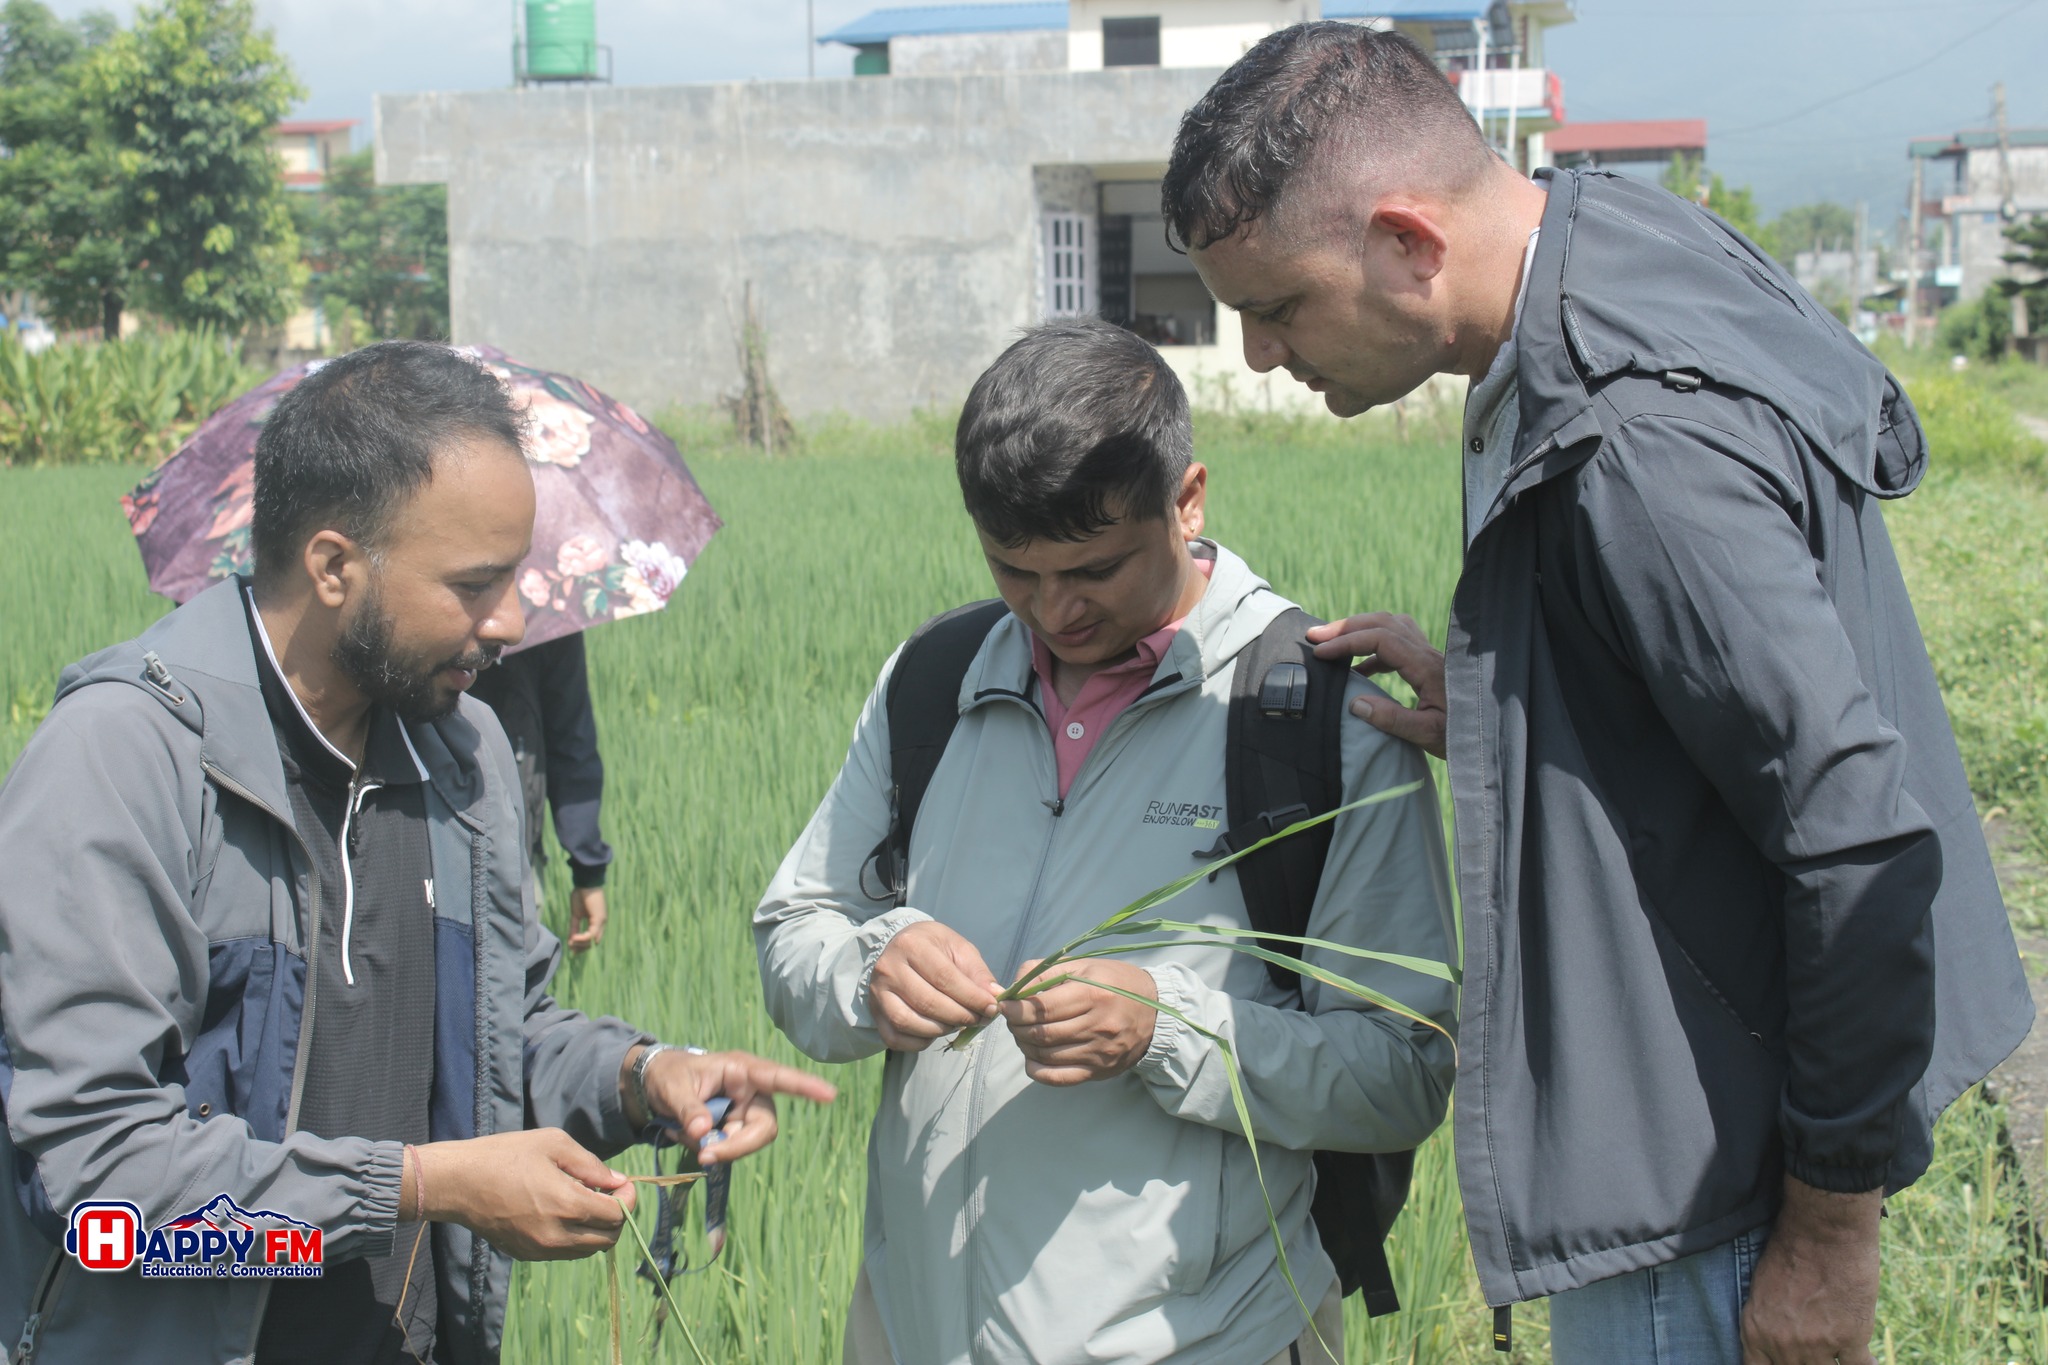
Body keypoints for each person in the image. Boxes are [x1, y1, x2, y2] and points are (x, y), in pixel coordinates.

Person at [1163, 23, 2034, 1365]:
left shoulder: (1628, 436)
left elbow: (1857, 836)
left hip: (1713, 1193)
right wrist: (1517, 716)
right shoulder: (1600, 252)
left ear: (1407, 241)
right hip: (1702, 1122)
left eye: (1278, 306)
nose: (1266, 357)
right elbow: (1701, 690)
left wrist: (1825, 1240)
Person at [0, 341, 836, 1363]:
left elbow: (498, 1034)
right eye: (475, 584)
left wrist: (641, 1079)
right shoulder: (127, 760)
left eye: (518, 576)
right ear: (336, 566)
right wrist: (421, 1188)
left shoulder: (461, 754)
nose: (516, 619)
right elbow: (97, 1191)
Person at [755, 318, 1457, 1365]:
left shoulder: (1312, 726)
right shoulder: (937, 680)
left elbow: (1403, 1069)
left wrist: (1161, 1027)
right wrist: (870, 972)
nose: (1053, 612)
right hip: (914, 1329)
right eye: (1014, 571)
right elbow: (795, 927)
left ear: (1187, 499)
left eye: (1093, 569)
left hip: (1203, 1339)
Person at [470, 632, 614, 950]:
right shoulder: (547, 595)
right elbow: (570, 736)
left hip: (512, 849)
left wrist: (587, 866)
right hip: (429, 842)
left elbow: (569, 735)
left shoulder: (551, 607)